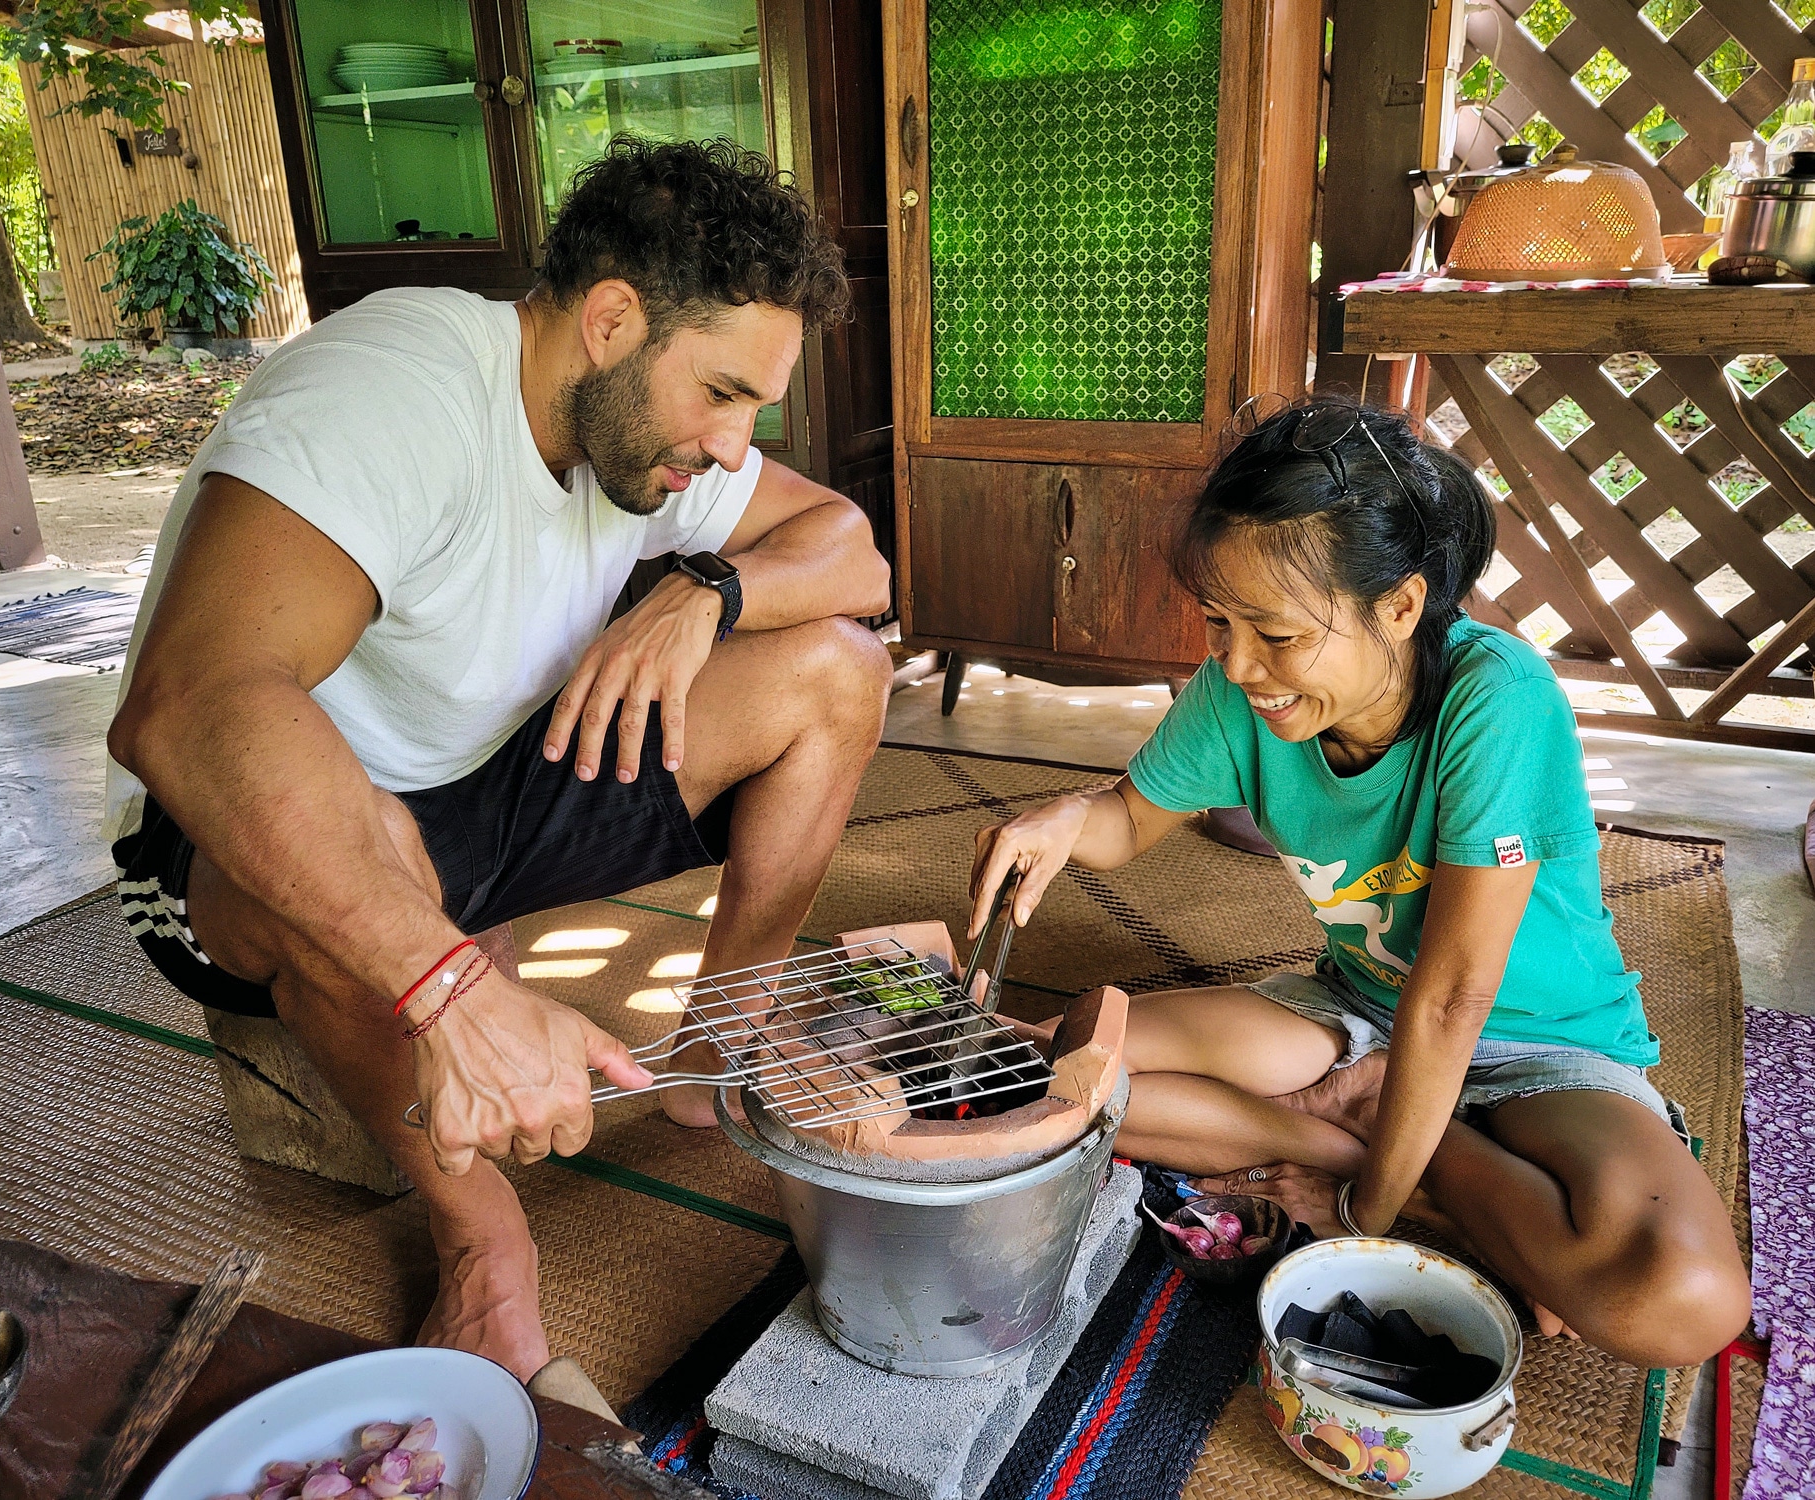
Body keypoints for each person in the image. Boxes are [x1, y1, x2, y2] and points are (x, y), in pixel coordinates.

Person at [104, 138, 894, 1380]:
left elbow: (854, 554)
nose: (737, 447)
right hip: (252, 850)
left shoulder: (641, 439)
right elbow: (192, 708)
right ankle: (482, 1245)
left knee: (840, 667)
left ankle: (724, 1047)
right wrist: (451, 992)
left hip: (494, 784)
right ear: (613, 320)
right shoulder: (397, 387)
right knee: (352, 825)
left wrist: (708, 592)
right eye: (725, 394)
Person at [966, 397, 1749, 1370]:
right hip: (1357, 1011)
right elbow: (1129, 819)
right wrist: (1063, 819)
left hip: (1537, 1044)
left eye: (1278, 635)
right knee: (1061, 1065)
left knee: (1679, 1300)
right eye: (1218, 622)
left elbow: (1457, 998)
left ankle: (1392, 1148)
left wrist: (1364, 1212)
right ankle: (1414, 1173)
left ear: (1402, 606)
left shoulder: (1495, 699)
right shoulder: (1239, 687)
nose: (1240, 665)